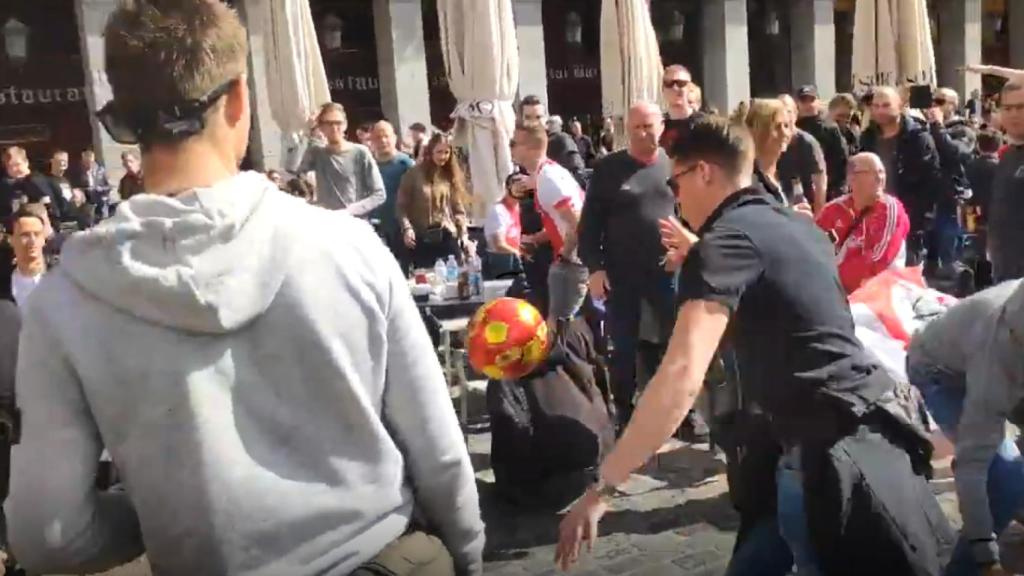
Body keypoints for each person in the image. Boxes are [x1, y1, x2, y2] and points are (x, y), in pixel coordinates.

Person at [6, 2, 484, 575]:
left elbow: (48, 535)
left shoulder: (65, 301)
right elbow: (440, 453)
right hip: (380, 557)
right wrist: (468, 557)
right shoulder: (347, 247)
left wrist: (171, 507)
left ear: (122, 116)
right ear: (238, 99)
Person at [555, 114, 952, 576]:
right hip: (848, 435)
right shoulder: (795, 225)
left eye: (675, 183)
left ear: (703, 172)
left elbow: (681, 375)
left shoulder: (725, 243)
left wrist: (602, 489)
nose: (673, 198)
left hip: (828, 457)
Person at [906, 279, 1024, 576]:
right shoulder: (996, 366)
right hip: (939, 373)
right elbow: (973, 466)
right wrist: (986, 556)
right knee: (1006, 477)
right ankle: (965, 568)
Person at [577, 102, 681, 430]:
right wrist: (595, 268)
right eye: (635, 127)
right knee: (623, 347)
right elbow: (589, 226)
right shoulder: (609, 169)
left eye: (648, 126)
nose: (642, 133)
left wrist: (686, 250)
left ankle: (679, 411)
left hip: (668, 270)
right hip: (622, 275)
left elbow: (691, 213)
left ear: (661, 126)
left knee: (674, 343)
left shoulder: (674, 165)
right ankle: (623, 411)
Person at [859, 86, 946, 266]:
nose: (880, 110)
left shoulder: (918, 137)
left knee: (907, 276)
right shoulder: (867, 137)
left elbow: (932, 180)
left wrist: (919, 219)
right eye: (875, 106)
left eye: (885, 105)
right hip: (874, 218)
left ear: (899, 106)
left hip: (909, 220)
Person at [511, 122, 586, 326]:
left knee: (558, 328)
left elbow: (578, 222)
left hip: (573, 264)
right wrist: (534, 239)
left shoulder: (548, 179)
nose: (510, 148)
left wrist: (566, 256)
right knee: (560, 324)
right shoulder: (547, 173)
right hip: (575, 261)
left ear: (532, 148)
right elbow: (562, 221)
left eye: (514, 143)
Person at [816, 153, 910, 293]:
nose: (879, 178)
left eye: (881, 172)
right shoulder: (832, 210)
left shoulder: (891, 210)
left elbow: (877, 263)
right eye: (870, 172)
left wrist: (831, 279)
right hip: (833, 292)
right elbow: (813, 250)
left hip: (875, 296)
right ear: (851, 178)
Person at [296, 102, 386, 216]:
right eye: (328, 123)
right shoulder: (316, 152)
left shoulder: (360, 153)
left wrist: (350, 211)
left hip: (354, 222)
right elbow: (296, 177)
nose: (334, 128)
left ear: (345, 125)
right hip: (326, 221)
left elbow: (379, 194)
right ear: (321, 127)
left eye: (338, 123)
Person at [397, 132, 469, 269]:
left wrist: (463, 233)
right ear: (430, 152)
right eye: (439, 152)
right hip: (422, 236)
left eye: (446, 152)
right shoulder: (413, 174)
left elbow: (458, 209)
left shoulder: (449, 175)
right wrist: (407, 228)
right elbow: (401, 206)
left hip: (446, 234)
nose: (443, 156)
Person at [987, 81, 1024, 282]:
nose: (1013, 114)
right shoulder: (1007, 155)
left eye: (1021, 107)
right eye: (1008, 108)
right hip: (1005, 273)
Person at [370, 120, 415, 262]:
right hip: (377, 226)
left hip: (401, 228)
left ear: (394, 138)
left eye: (386, 136)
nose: (383, 140)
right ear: (371, 141)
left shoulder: (406, 164)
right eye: (377, 137)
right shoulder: (369, 165)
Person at [796, 85, 849, 201]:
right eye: (804, 101)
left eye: (812, 100)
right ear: (798, 104)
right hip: (800, 190)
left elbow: (842, 160)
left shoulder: (829, 127)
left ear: (818, 102)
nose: (808, 105)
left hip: (827, 190)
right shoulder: (793, 128)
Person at [777, 94, 827, 213]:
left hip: (805, 207)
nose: (784, 116)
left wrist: (818, 216)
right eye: (780, 112)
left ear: (795, 114)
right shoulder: (772, 141)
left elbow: (820, 182)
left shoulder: (807, 143)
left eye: (788, 111)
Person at [519, 95, 585, 179]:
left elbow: (579, 175)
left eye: (538, 117)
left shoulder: (561, 141)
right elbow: (514, 174)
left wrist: (540, 182)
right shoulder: (520, 146)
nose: (534, 123)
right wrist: (512, 184)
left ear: (545, 120)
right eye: (528, 117)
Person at [0, 207, 48, 307]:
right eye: (25, 235)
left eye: (37, 234)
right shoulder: (3, 284)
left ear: (44, 239)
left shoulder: (63, 278)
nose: (32, 241)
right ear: (11, 240)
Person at [484, 173, 526, 279]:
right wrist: (520, 254)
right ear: (508, 188)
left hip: (514, 259)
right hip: (502, 263)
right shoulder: (498, 211)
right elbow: (499, 245)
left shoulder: (519, 208)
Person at [1, 148, 53, 225]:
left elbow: (49, 208)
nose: (14, 169)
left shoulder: (35, 181)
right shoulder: (10, 185)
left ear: (26, 162)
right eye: (9, 166)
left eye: (17, 164)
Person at [659, 64, 703, 151]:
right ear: (663, 89)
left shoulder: (703, 124)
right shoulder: (658, 125)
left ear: (689, 88)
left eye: (680, 83)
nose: (675, 88)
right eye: (669, 84)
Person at [73, 149, 112, 220]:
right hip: (88, 203)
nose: (88, 165)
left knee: (102, 221)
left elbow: (109, 187)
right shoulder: (80, 173)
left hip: (101, 201)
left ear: (93, 161)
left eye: (89, 162)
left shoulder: (102, 171)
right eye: (85, 162)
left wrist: (99, 189)